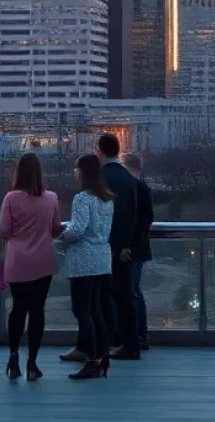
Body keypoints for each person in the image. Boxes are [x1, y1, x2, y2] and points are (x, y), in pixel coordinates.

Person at [0, 152, 62, 382]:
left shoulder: (11, 198)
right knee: (37, 311)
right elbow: (55, 228)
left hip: (18, 260)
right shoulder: (51, 198)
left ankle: (13, 356)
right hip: (43, 259)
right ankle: (32, 362)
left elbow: (4, 230)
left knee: (18, 309)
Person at [60, 154, 115, 380]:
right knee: (97, 311)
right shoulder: (107, 198)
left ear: (83, 171)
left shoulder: (82, 198)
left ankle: (91, 360)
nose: (74, 172)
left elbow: (77, 230)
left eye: (76, 168)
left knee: (82, 311)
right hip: (103, 258)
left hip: (84, 260)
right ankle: (103, 357)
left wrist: (61, 235)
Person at [97, 133, 139, 359]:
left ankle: (119, 341)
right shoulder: (125, 175)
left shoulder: (103, 176)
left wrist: (121, 243)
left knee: (111, 296)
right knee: (125, 295)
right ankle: (130, 342)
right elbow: (130, 212)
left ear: (100, 151)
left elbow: (117, 212)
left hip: (108, 244)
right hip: (123, 244)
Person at [122, 151, 154, 350]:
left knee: (131, 291)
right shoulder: (142, 187)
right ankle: (140, 334)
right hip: (138, 247)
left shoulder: (134, 188)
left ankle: (136, 335)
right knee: (134, 291)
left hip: (131, 248)